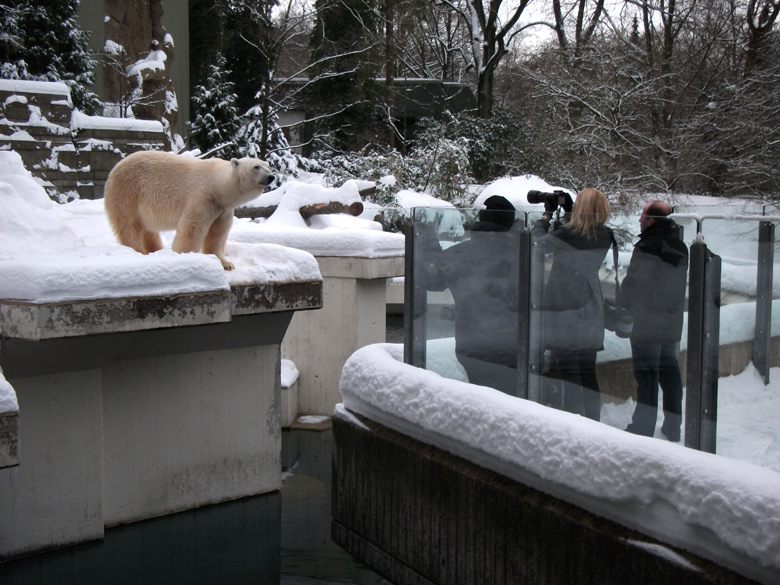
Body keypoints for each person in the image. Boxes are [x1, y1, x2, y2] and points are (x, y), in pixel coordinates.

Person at [422, 195, 520, 395]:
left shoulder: (461, 254)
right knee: (511, 401)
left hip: (473, 345)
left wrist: (428, 243)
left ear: (481, 220)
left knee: (482, 398)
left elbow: (431, 280)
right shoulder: (521, 254)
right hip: (512, 345)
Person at [531, 188, 612, 420]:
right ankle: (593, 420)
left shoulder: (568, 236)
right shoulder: (605, 234)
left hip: (565, 310)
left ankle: (572, 422)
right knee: (587, 372)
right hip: (591, 308)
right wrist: (568, 212)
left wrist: (545, 218)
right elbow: (580, 231)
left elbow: (536, 245)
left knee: (568, 371)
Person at [619, 201, 689, 441]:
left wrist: (623, 305)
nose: (639, 220)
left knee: (647, 375)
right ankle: (673, 426)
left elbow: (636, 284)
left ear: (651, 220)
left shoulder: (647, 246)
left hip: (647, 321)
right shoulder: (681, 247)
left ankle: (643, 427)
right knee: (670, 374)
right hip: (671, 321)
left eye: (642, 217)